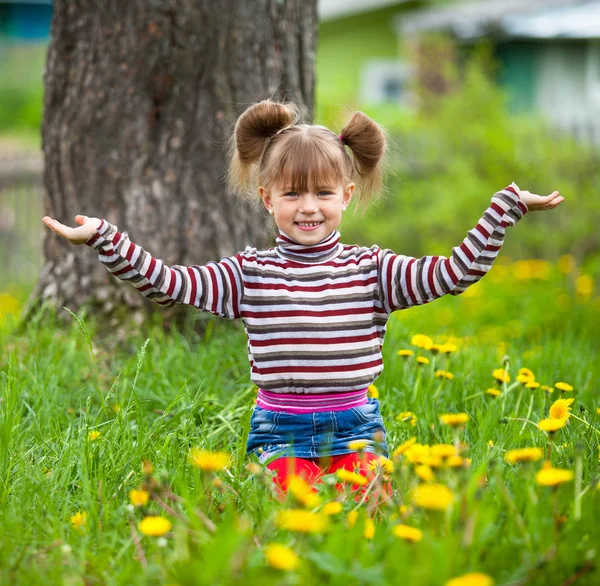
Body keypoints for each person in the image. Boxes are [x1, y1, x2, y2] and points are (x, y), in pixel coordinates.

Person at [42, 98, 564, 504]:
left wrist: (505, 208)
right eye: (292, 194)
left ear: (347, 195)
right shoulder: (249, 274)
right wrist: (104, 237)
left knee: (366, 518)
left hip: (358, 427)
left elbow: (454, 273)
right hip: (280, 432)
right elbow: (168, 284)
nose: (308, 207)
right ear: (268, 198)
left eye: (322, 193)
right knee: (295, 521)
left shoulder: (373, 271)